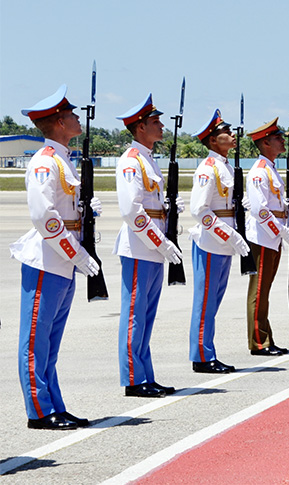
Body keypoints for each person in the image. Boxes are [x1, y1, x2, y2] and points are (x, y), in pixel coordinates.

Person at [10, 86, 100, 429]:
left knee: (50, 343)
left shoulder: (62, 159)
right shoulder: (45, 162)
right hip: (48, 260)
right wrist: (75, 252)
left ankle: (54, 404)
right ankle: (39, 410)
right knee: (35, 341)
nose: (79, 118)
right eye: (72, 114)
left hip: (63, 260)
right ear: (59, 121)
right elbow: (44, 218)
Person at [114, 95, 184, 398]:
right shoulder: (131, 160)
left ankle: (145, 374)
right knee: (135, 314)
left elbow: (151, 204)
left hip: (153, 245)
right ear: (140, 127)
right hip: (140, 245)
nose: (161, 126)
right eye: (155, 122)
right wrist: (161, 242)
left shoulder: (148, 158)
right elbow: (131, 211)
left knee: (146, 315)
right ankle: (133, 378)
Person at [188, 109, 250, 373]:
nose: (232, 135)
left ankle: (207, 351)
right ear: (213, 140)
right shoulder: (208, 169)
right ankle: (202, 356)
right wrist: (230, 235)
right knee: (205, 303)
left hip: (224, 241)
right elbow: (200, 210)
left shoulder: (226, 166)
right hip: (211, 242)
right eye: (226, 132)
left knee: (214, 301)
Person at [245, 118, 289, 356]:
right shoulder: (259, 172)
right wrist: (281, 230)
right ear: (265, 142)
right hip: (264, 236)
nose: (282, 141)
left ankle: (265, 337)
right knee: (258, 291)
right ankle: (259, 341)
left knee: (264, 290)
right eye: (277, 138)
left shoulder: (270, 168)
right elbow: (260, 210)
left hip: (272, 235)